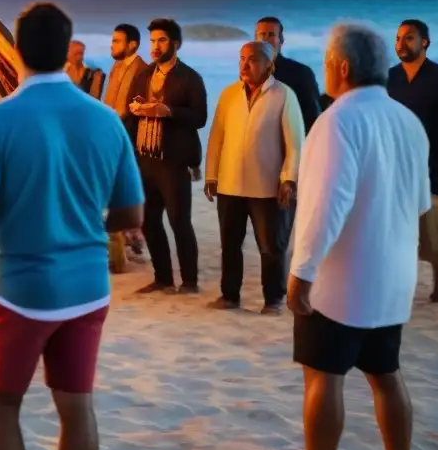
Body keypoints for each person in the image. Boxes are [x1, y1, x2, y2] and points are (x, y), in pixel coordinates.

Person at [0, 2, 145, 450]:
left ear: (16, 50)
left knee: (2, 407)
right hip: (87, 288)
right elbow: (132, 215)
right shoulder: (105, 119)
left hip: (19, 289)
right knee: (77, 408)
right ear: (68, 52)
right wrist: (83, 218)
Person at [283, 23, 429, 450]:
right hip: (393, 275)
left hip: (342, 280)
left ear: (341, 68)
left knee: (323, 376)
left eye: (327, 62)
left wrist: (302, 272)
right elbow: (421, 201)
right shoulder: (407, 120)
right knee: (386, 375)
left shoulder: (337, 120)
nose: (326, 69)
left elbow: (326, 204)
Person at [205, 41, 304, 314]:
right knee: (230, 245)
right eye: (241, 59)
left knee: (271, 247)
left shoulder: (284, 95)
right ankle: (229, 296)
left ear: (268, 65)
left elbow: (295, 142)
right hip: (230, 184)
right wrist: (211, 174)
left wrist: (289, 179)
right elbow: (216, 137)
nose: (245, 65)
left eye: (252, 60)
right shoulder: (228, 95)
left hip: (266, 187)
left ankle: (273, 300)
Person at [125, 18, 207, 295]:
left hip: (173, 162)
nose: (155, 47)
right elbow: (131, 112)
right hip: (145, 158)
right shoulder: (144, 75)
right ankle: (162, 278)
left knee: (179, 221)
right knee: (148, 221)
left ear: (175, 44)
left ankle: (190, 282)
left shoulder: (190, 77)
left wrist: (169, 111)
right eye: (153, 41)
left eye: (161, 41)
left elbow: (200, 117)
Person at [387, 18, 438, 302]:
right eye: (398, 38)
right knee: (401, 231)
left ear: (424, 42)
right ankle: (400, 285)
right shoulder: (389, 78)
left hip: (437, 163)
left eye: (409, 38)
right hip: (397, 165)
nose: (401, 44)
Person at [102, 23, 150, 269]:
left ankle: (134, 242)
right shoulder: (116, 67)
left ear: (132, 44)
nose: (112, 45)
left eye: (117, 41)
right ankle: (127, 242)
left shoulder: (142, 70)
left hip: (130, 140)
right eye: (112, 41)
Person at [255, 16, 323, 133]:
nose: (266, 39)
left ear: (280, 39)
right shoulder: (250, 73)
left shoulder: (301, 73)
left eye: (271, 35)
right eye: (262, 35)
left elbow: (313, 117)